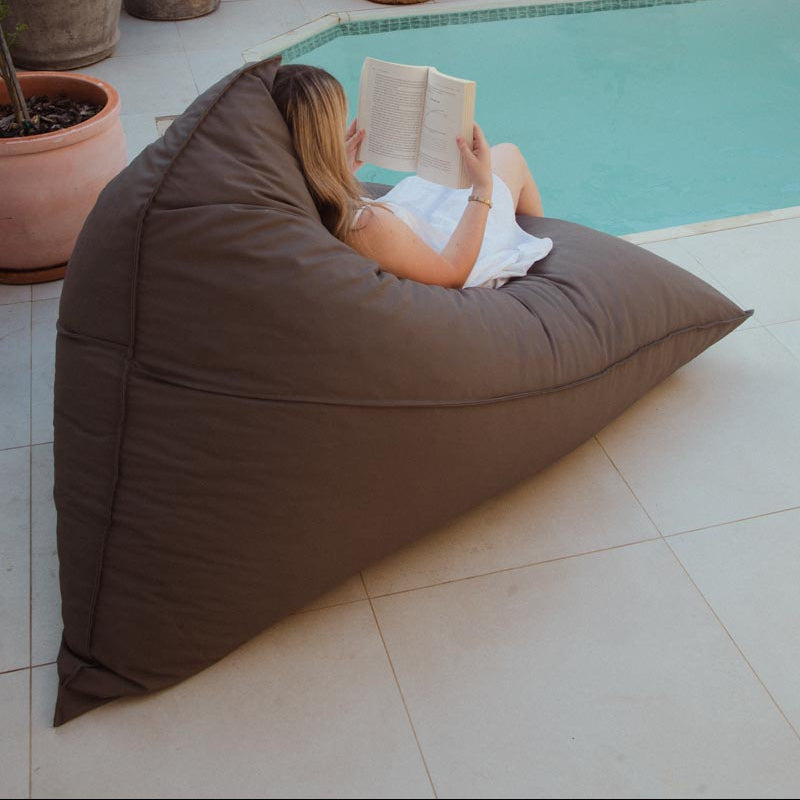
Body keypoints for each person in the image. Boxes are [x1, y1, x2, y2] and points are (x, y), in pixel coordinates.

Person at [271, 63, 553, 290]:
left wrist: (337, 172)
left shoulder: (287, 191)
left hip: (411, 233)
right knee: (509, 155)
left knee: (441, 180)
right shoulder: (363, 226)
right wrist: (482, 188)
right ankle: (553, 261)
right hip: (455, 254)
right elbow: (452, 274)